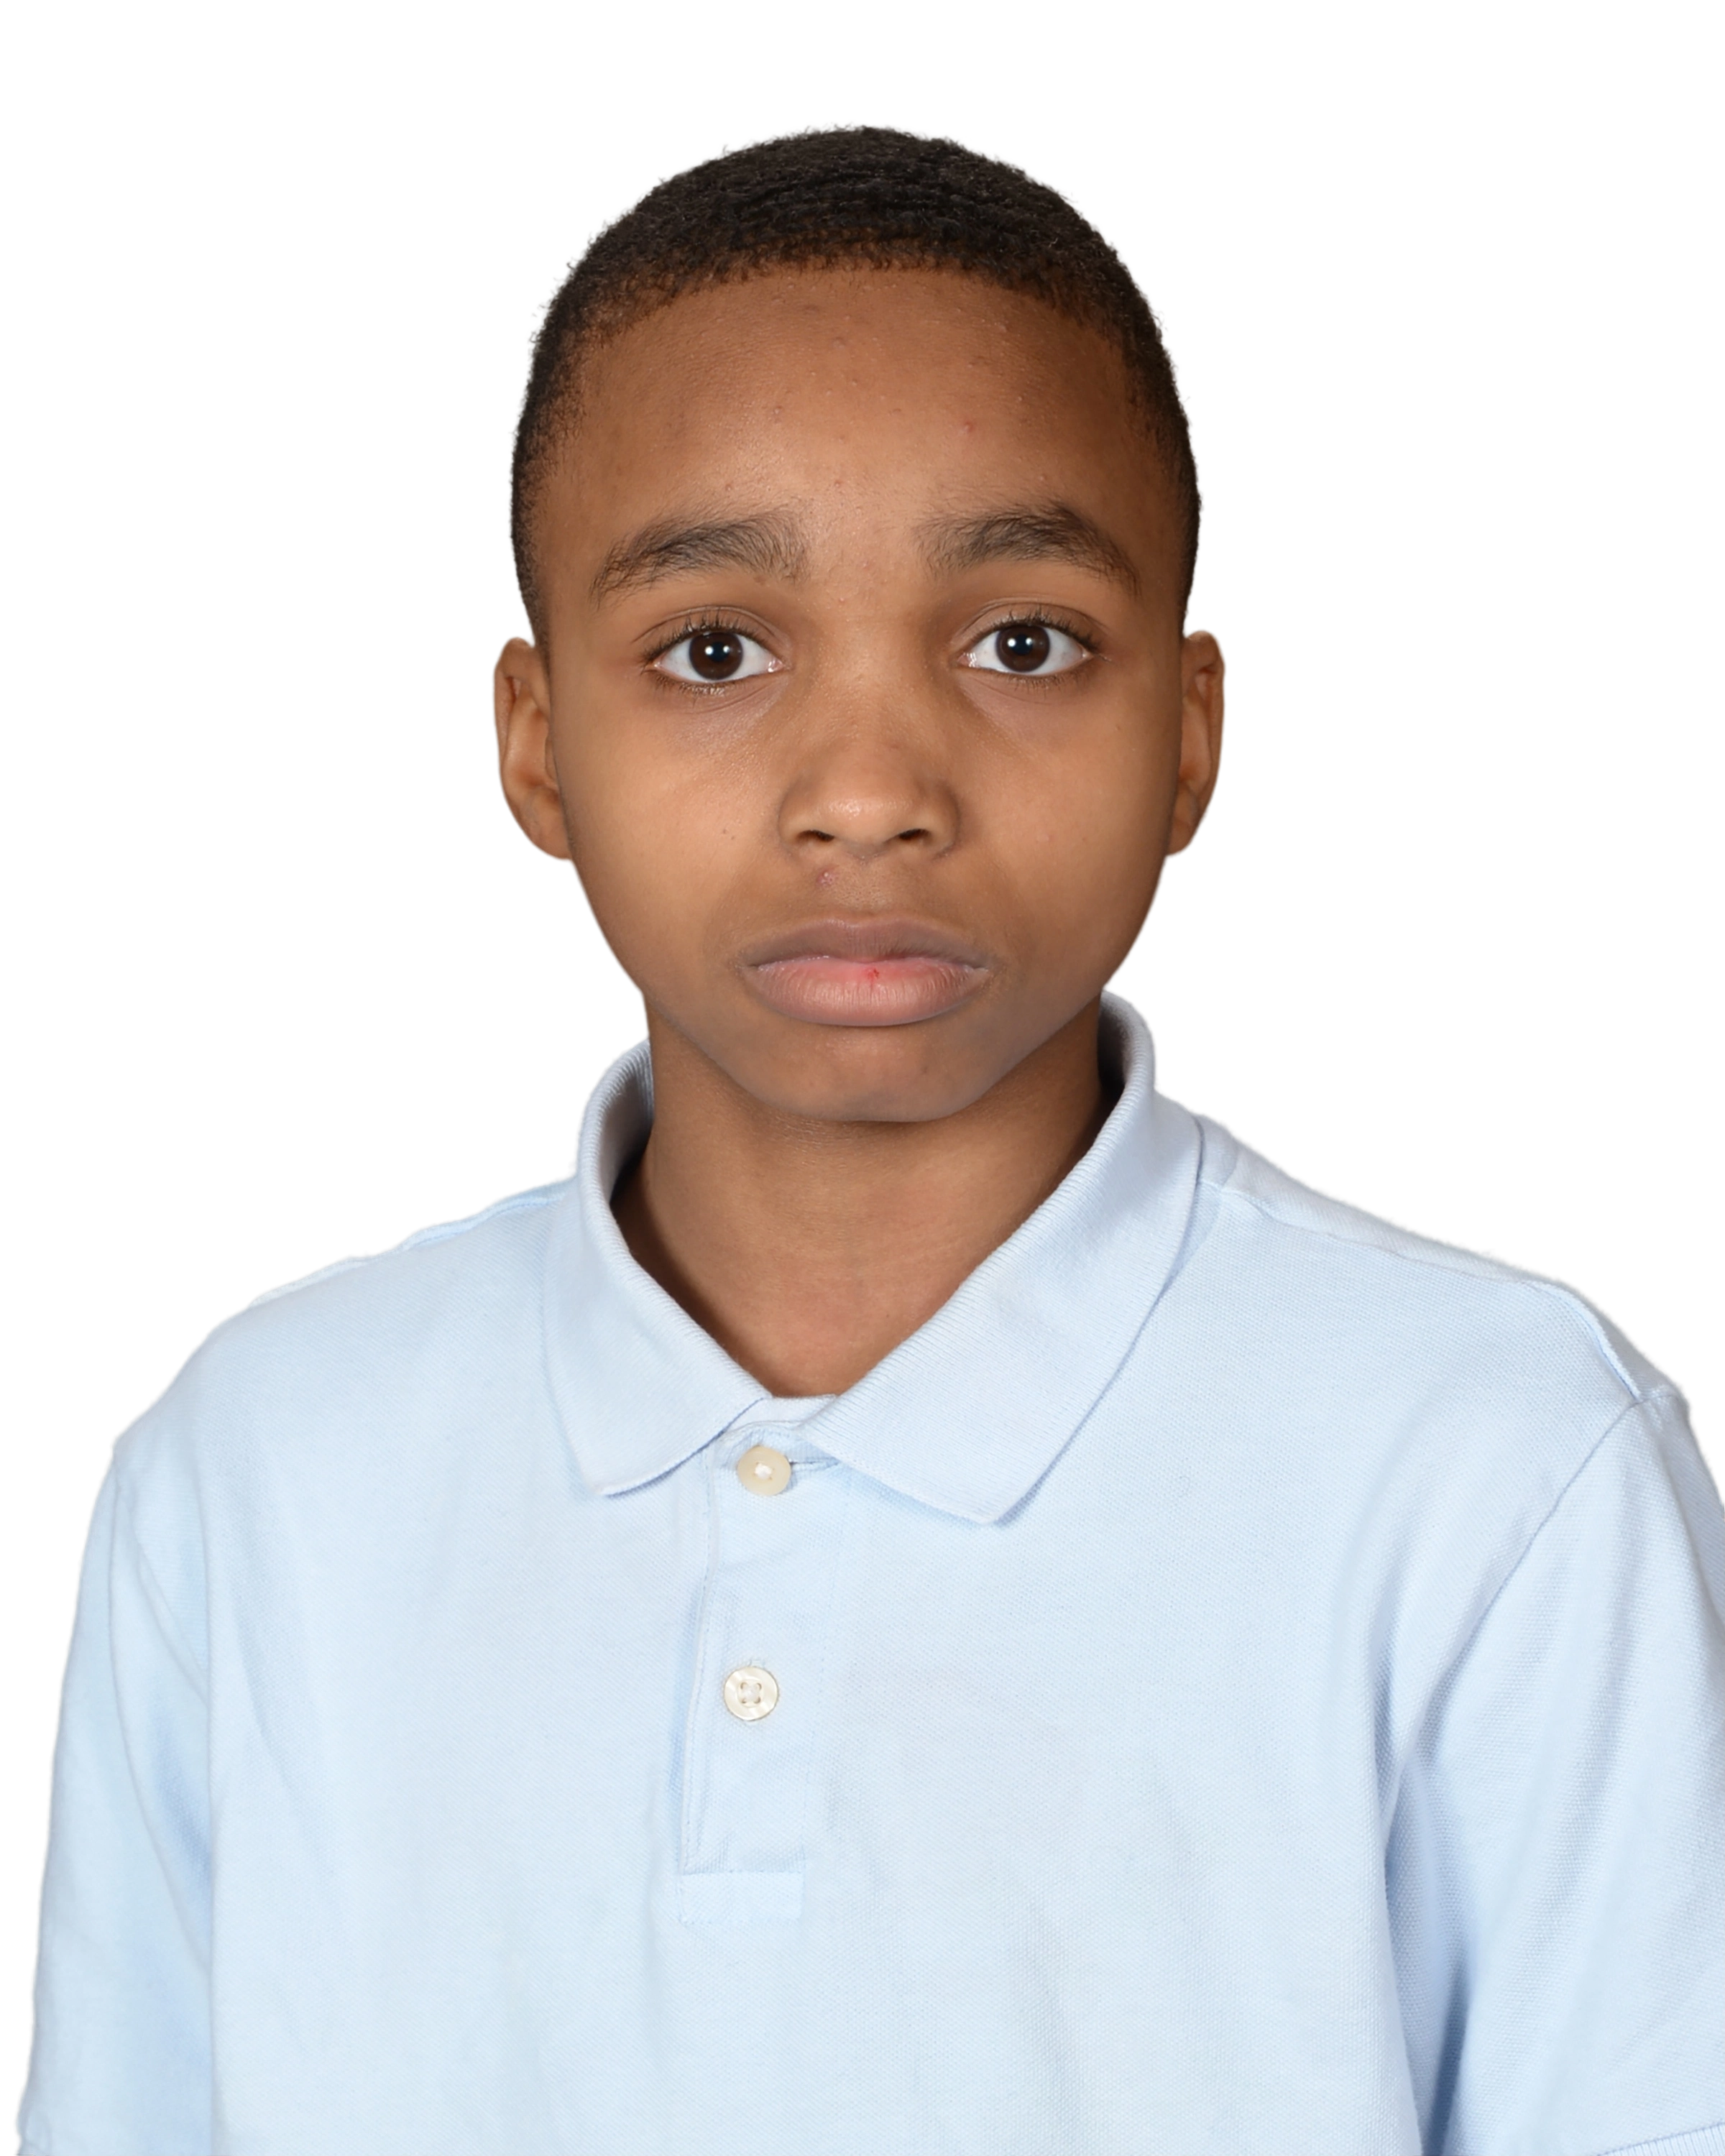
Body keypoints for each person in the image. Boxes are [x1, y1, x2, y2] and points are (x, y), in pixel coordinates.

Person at [14, 119, 1724, 2156]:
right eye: (715, 651)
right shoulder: (258, 1468)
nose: (869, 789)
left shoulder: (1505, 1467)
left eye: (1023, 643)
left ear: (1192, 731)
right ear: (536, 746)